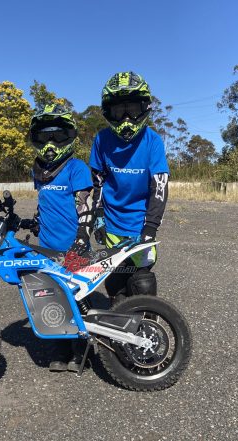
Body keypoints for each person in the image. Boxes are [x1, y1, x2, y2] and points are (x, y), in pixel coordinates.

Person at [20, 103, 93, 371]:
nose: (50, 143)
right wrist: (34, 222)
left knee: (78, 299)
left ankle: (82, 351)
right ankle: (60, 351)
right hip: (47, 248)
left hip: (74, 246)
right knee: (52, 298)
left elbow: (86, 205)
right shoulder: (38, 171)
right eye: (44, 136)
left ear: (69, 136)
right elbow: (44, 203)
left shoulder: (76, 168)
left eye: (58, 136)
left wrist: (82, 239)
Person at [89, 71, 169, 303]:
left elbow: (160, 187)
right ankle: (119, 333)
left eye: (132, 110)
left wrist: (151, 227)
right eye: (118, 111)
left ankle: (145, 328)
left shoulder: (153, 140)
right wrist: (98, 217)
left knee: (142, 282)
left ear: (144, 108)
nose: (125, 118)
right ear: (108, 112)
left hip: (140, 225)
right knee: (116, 284)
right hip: (112, 226)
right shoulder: (101, 139)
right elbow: (97, 183)